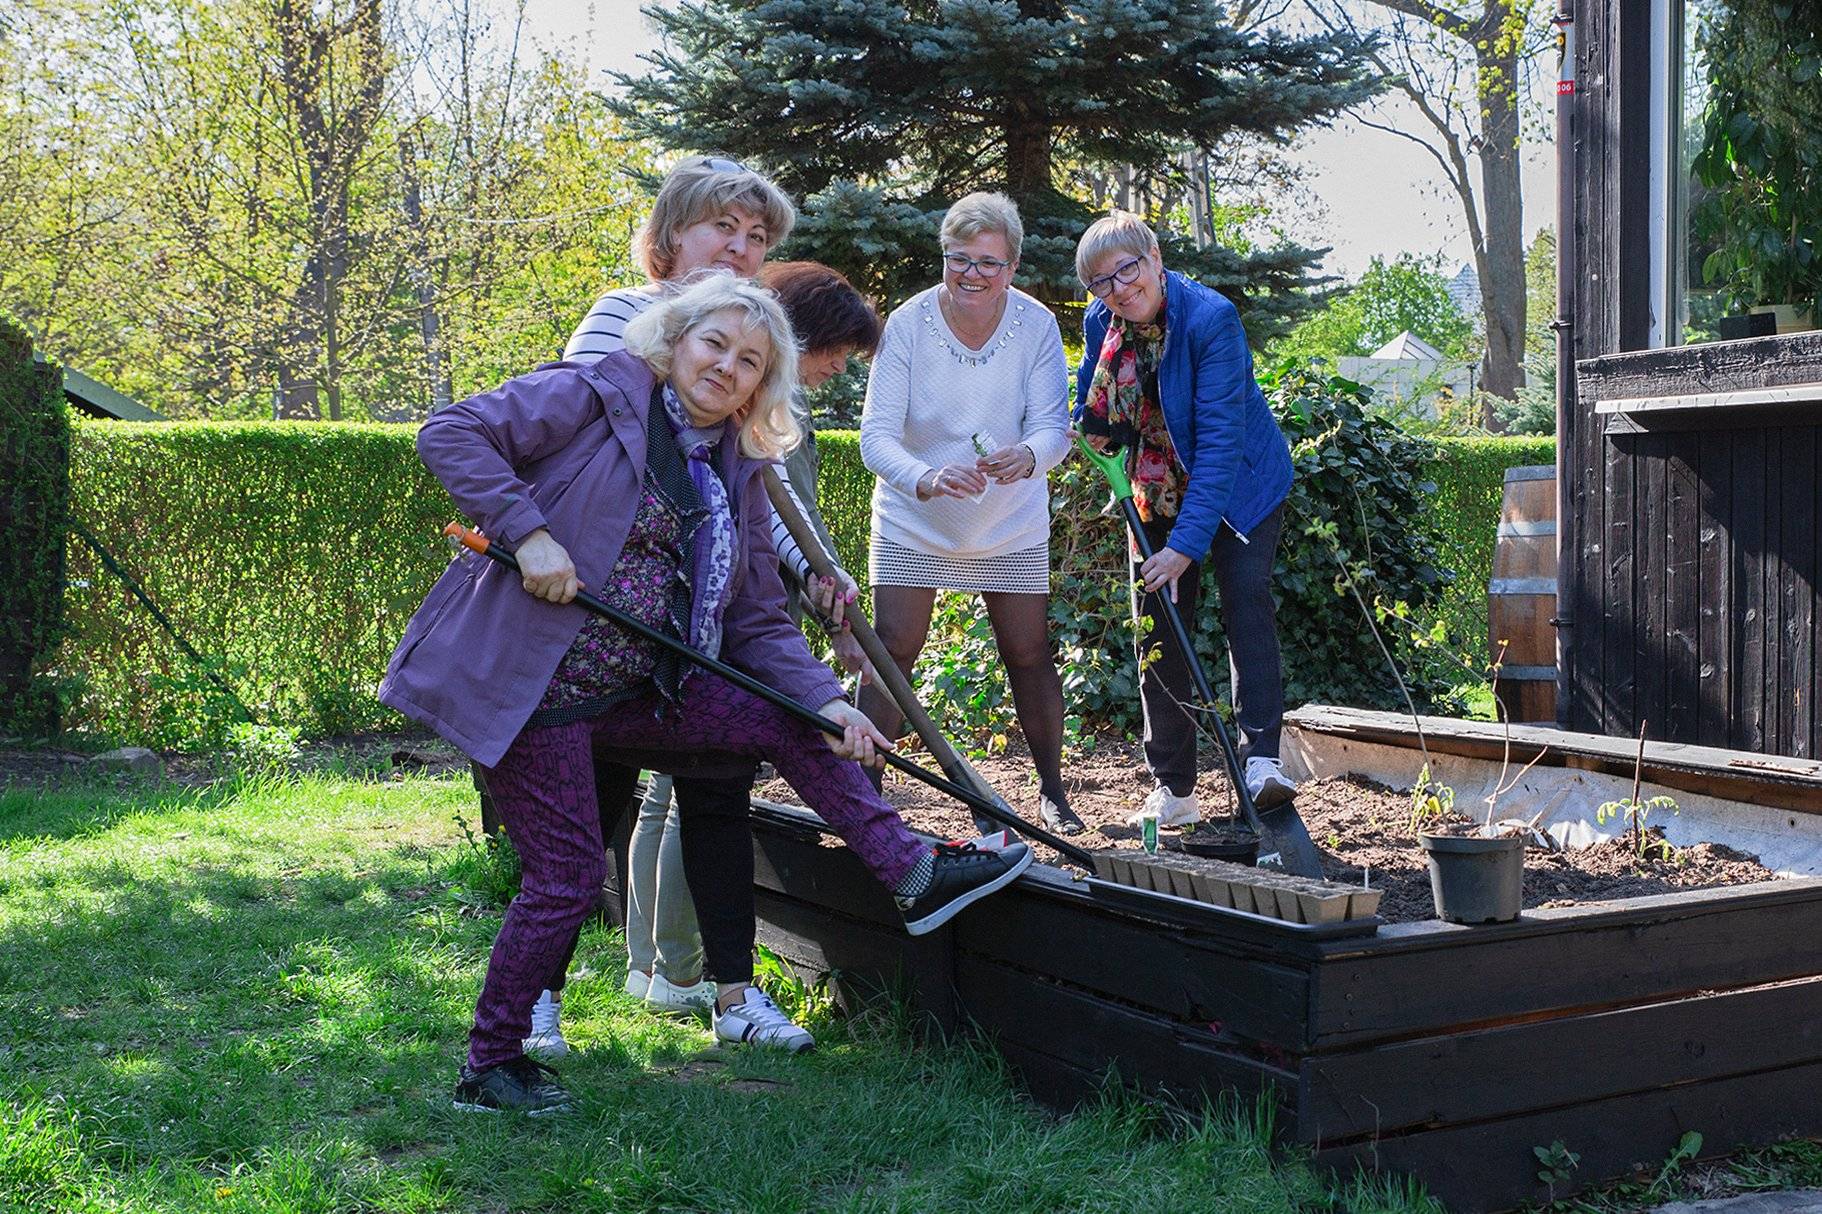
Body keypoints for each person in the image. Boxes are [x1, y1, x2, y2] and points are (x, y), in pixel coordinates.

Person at [381, 276, 1031, 1114]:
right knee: (568, 876)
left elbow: (759, 617)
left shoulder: (734, 465)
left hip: (633, 689)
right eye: (714, 344)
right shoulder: (594, 394)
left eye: (749, 361)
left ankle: (912, 875)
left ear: (764, 386)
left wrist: (829, 705)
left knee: (797, 716)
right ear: (675, 340)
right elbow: (453, 432)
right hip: (530, 689)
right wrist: (530, 534)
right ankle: (490, 1064)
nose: (726, 367)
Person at [536, 157, 867, 1054]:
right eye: (726, 226)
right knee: (589, 814)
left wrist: (814, 575)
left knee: (719, 795)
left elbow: (757, 496)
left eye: (757, 238)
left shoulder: (747, 338)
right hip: (612, 625)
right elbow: (590, 446)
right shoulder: (620, 317)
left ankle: (734, 1001)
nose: (743, 247)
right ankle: (539, 998)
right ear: (671, 234)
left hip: (701, 624)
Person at [857, 192, 1084, 837]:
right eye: (960, 260)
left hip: (1008, 520)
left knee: (1029, 650)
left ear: (1011, 265)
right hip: (916, 517)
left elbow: (1052, 428)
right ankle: (861, 793)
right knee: (891, 649)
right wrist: (926, 478)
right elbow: (876, 438)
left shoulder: (1037, 326)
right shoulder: (907, 324)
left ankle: (1053, 792)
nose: (973, 274)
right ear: (944, 259)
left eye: (989, 262)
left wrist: (1030, 457)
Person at [1071, 211, 1299, 830]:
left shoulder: (1211, 319)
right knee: (1159, 624)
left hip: (1240, 487)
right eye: (1101, 281)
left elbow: (1222, 443)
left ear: (1154, 256)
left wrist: (1187, 546)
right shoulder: (1102, 322)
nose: (1119, 288)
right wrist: (1090, 442)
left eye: (1128, 268)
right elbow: (1098, 404)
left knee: (1245, 601)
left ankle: (1262, 764)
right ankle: (1173, 787)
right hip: (1152, 483)